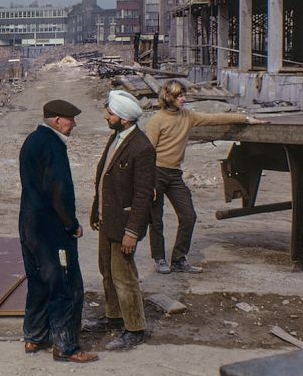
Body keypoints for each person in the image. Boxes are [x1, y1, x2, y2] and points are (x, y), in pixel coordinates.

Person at [146, 80, 266, 274]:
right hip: (156, 173)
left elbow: (215, 118)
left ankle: (178, 259)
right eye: (179, 96)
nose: (183, 99)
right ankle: (159, 258)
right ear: (168, 98)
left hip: (175, 174)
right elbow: (147, 153)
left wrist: (245, 119)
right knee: (156, 218)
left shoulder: (188, 116)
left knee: (188, 216)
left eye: (183, 95)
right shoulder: (156, 121)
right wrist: (147, 182)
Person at [18, 99, 98, 364]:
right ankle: (66, 346)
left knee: (38, 281)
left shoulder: (32, 140)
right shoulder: (53, 146)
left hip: (29, 225)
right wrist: (71, 224)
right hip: (51, 229)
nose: (73, 124)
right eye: (70, 119)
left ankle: (34, 337)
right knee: (66, 285)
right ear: (56, 120)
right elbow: (59, 190)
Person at [87, 90, 154, 351]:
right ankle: (113, 318)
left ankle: (135, 328)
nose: (107, 116)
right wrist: (96, 212)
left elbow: (143, 195)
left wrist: (132, 232)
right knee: (107, 272)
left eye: (111, 113)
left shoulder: (142, 147)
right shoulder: (115, 138)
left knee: (124, 277)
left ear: (124, 119)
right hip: (108, 222)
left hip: (124, 226)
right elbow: (104, 178)